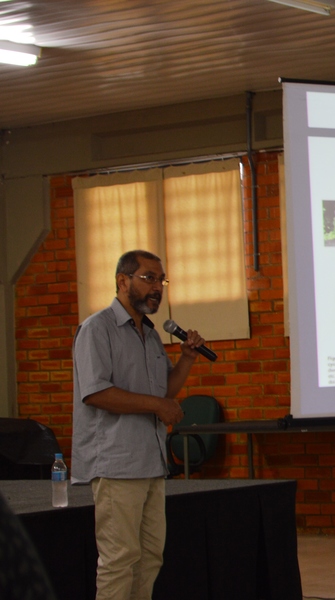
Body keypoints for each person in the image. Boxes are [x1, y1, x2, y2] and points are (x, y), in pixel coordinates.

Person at [71, 249, 206, 600]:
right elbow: (96, 393)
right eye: (148, 278)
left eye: (161, 280)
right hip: (116, 463)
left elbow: (165, 390)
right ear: (122, 280)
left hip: (150, 461)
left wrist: (187, 360)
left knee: (149, 558)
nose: (157, 287)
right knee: (119, 559)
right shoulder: (96, 328)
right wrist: (159, 405)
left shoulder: (150, 335)